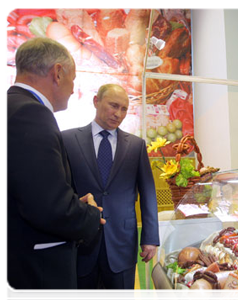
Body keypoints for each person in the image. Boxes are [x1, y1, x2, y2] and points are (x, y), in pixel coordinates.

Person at [5, 37, 105, 300]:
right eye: (73, 79)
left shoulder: (11, 107)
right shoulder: (31, 114)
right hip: (35, 273)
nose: (73, 90)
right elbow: (47, 208)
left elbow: (29, 189)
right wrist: (91, 215)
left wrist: (71, 201)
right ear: (58, 73)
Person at [62, 84, 160, 300]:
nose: (118, 114)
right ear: (97, 101)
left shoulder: (136, 146)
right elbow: (62, 188)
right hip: (82, 240)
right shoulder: (68, 140)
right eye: (113, 105)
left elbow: (148, 191)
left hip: (122, 242)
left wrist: (150, 238)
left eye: (124, 109)